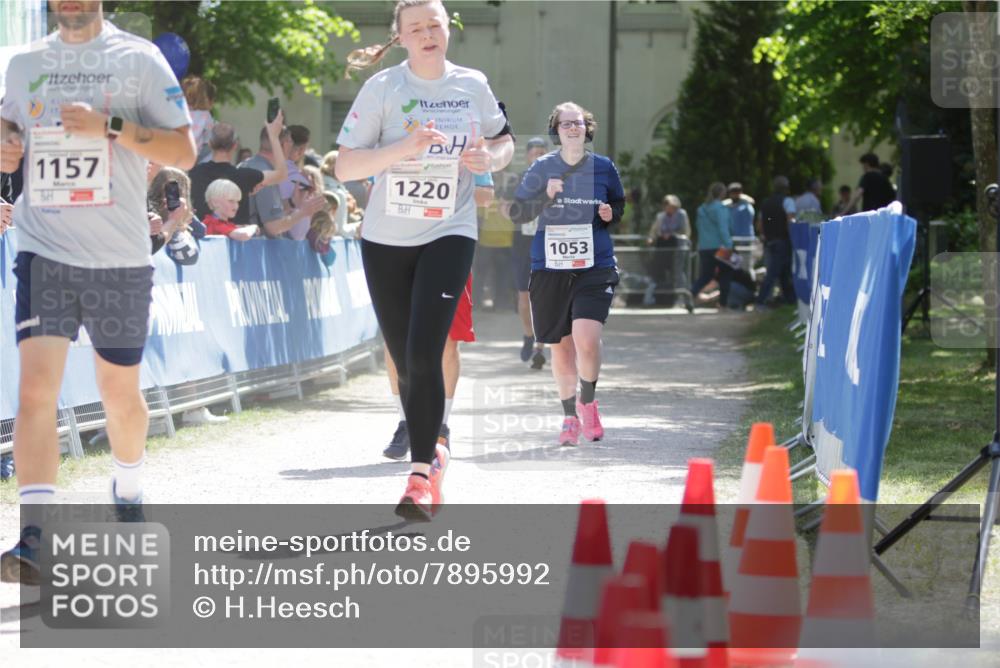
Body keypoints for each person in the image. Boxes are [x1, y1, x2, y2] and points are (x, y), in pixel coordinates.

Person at [0, 0, 197, 584]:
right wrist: (8, 143)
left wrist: (111, 127)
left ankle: (129, 487)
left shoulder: (138, 60)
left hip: (119, 257)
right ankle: (34, 534)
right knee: (37, 390)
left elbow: (183, 152)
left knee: (120, 396)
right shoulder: (23, 62)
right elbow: (9, 127)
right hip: (45, 247)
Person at [335, 0, 514, 520]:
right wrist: (403, 149)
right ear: (402, 38)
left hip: (449, 229)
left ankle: (420, 477)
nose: (427, 33)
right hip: (386, 238)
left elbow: (503, 142)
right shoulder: (383, 90)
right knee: (403, 360)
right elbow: (346, 165)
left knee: (425, 350)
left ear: (446, 30)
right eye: (415, 27)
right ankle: (431, 446)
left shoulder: (471, 84)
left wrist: (490, 159)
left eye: (434, 24)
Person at [508, 101, 624, 447]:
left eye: (578, 123)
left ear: (588, 128)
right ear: (555, 130)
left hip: (594, 264)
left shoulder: (603, 167)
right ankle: (569, 417)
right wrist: (545, 196)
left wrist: (609, 214)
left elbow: (618, 206)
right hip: (550, 266)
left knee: (587, 340)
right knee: (560, 348)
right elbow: (517, 212)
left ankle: (588, 403)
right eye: (565, 124)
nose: (572, 128)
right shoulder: (542, 167)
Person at [382, 172, 493, 461]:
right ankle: (407, 421)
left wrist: (449, 191)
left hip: (447, 247)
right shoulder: (398, 137)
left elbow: (486, 196)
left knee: (446, 342)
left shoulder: (467, 136)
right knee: (394, 342)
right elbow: (376, 190)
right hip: (399, 248)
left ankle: (441, 425)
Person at [502, 136, 548, 368]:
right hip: (522, 241)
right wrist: (514, 212)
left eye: (542, 152)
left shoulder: (555, 179)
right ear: (528, 156)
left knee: (546, 295)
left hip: (548, 240)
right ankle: (529, 335)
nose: (537, 156)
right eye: (534, 153)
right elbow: (505, 207)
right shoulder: (518, 180)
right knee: (524, 296)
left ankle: (540, 346)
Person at [189, 120, 287, 221]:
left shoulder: (194, 174)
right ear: (235, 145)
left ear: (209, 144)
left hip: (204, 235)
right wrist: (274, 137)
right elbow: (281, 174)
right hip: (235, 235)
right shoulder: (245, 176)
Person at [242, 121, 325, 238]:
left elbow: (261, 212)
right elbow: (273, 227)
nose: (293, 147)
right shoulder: (268, 175)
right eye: (290, 142)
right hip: (257, 249)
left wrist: (291, 202)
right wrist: (303, 212)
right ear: (283, 144)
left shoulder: (244, 165)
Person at [755, 175, 797, 307]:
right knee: (773, 273)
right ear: (786, 188)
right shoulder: (788, 201)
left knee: (783, 272)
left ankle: (791, 301)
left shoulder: (766, 203)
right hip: (783, 241)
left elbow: (759, 225)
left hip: (769, 242)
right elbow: (790, 221)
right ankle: (760, 301)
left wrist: (765, 236)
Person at [690, 182, 733, 307]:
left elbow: (698, 227)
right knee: (726, 273)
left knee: (706, 275)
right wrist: (729, 246)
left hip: (704, 247)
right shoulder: (721, 209)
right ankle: (723, 303)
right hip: (720, 247)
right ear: (722, 193)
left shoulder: (701, 209)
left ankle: (691, 293)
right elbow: (723, 229)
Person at [148, 167, 200, 266]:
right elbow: (189, 258)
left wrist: (185, 221)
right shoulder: (151, 215)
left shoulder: (184, 213)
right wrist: (174, 224)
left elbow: (201, 231)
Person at [646, 194, 690, 302]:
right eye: (666, 205)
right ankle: (663, 298)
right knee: (662, 272)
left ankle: (682, 296)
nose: (668, 208)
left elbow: (686, 231)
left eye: (670, 205)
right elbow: (654, 231)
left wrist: (671, 234)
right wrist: (651, 238)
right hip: (664, 249)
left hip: (678, 247)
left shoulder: (682, 214)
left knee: (678, 271)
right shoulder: (660, 216)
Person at [181, 75, 215, 163]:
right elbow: (210, 136)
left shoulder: (179, 111)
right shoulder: (205, 115)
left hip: (176, 148)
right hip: (193, 155)